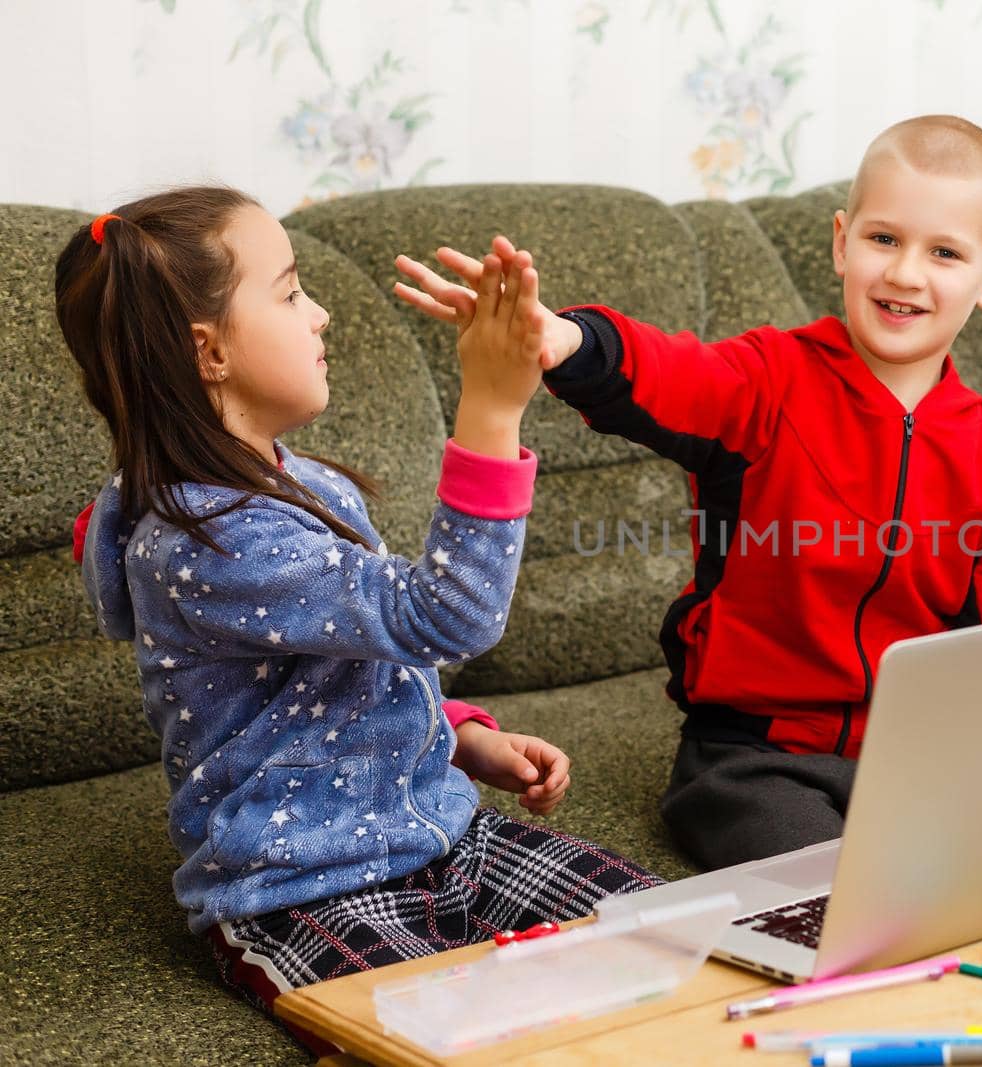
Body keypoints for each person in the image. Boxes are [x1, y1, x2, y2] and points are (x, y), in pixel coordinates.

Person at [58, 186, 658, 1052]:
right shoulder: (200, 545)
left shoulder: (308, 484)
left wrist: (456, 732)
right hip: (306, 889)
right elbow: (447, 614)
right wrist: (491, 408)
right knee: (449, 1037)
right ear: (209, 350)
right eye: (293, 291)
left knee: (671, 935)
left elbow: (340, 667)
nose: (323, 314)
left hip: (450, 839)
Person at [394, 114, 982, 872]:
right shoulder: (768, 381)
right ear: (842, 241)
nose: (906, 272)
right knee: (846, 891)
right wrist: (567, 342)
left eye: (944, 252)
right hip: (752, 762)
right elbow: (667, 370)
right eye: (884, 239)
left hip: (909, 766)